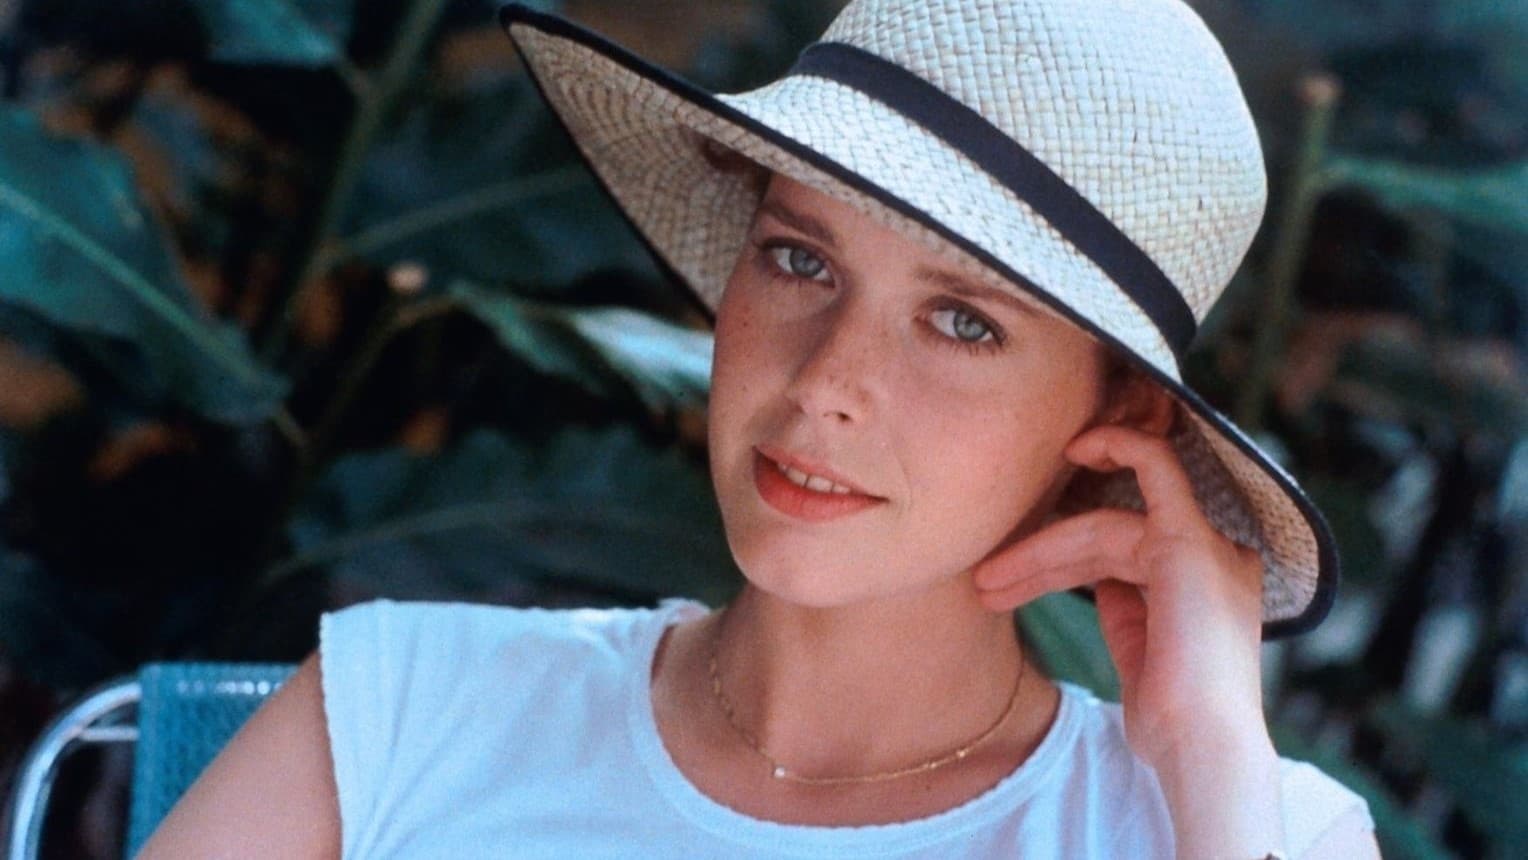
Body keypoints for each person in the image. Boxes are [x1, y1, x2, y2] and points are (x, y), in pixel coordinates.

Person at [138, 0, 1382, 857]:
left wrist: (1212, 756)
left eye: (961, 322)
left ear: (1116, 415)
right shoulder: (401, 707)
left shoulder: (1247, 823)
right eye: (799, 257)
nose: (828, 380)